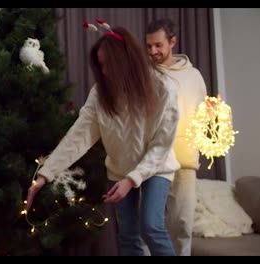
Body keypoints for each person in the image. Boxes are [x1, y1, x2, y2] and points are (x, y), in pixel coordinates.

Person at [26, 24, 180, 256]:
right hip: (119, 170)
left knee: (151, 226)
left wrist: (132, 180)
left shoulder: (163, 88)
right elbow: (77, 137)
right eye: (100, 65)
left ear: (125, 60)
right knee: (127, 235)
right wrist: (45, 174)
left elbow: (161, 144)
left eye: (109, 64)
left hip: (156, 166)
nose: (104, 71)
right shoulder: (100, 93)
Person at [145, 18, 208, 256]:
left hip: (185, 161)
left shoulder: (194, 76)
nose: (153, 51)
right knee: (149, 224)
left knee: (182, 224)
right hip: (152, 160)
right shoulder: (146, 75)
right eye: (149, 46)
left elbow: (203, 116)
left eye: (158, 45)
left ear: (173, 42)